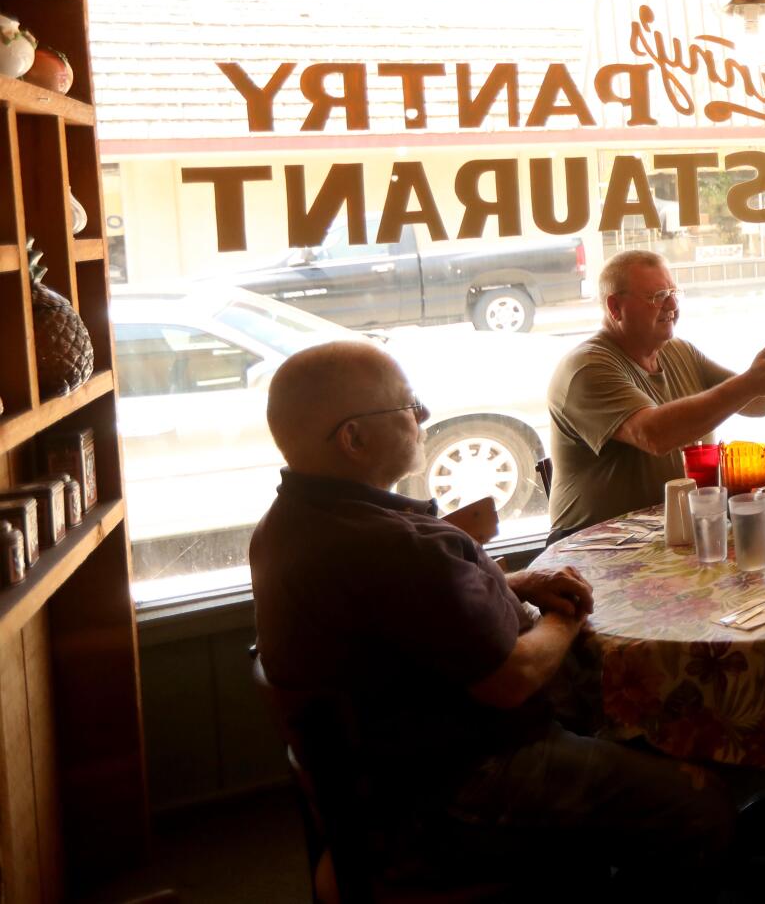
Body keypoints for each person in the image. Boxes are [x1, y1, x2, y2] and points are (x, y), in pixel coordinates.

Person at [248, 340, 732, 895]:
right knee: (702, 804)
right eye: (408, 407)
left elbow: (401, 610)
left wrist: (514, 581)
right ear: (353, 439)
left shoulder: (289, 526)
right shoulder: (396, 546)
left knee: (635, 730)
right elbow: (513, 678)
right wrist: (565, 614)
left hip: (382, 776)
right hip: (462, 783)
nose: (423, 416)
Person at [546, 249, 765, 540]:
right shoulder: (586, 368)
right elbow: (654, 434)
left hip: (674, 534)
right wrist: (750, 383)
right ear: (615, 307)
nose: (672, 306)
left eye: (673, 294)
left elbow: (755, 402)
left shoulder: (678, 351)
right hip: (595, 546)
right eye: (657, 297)